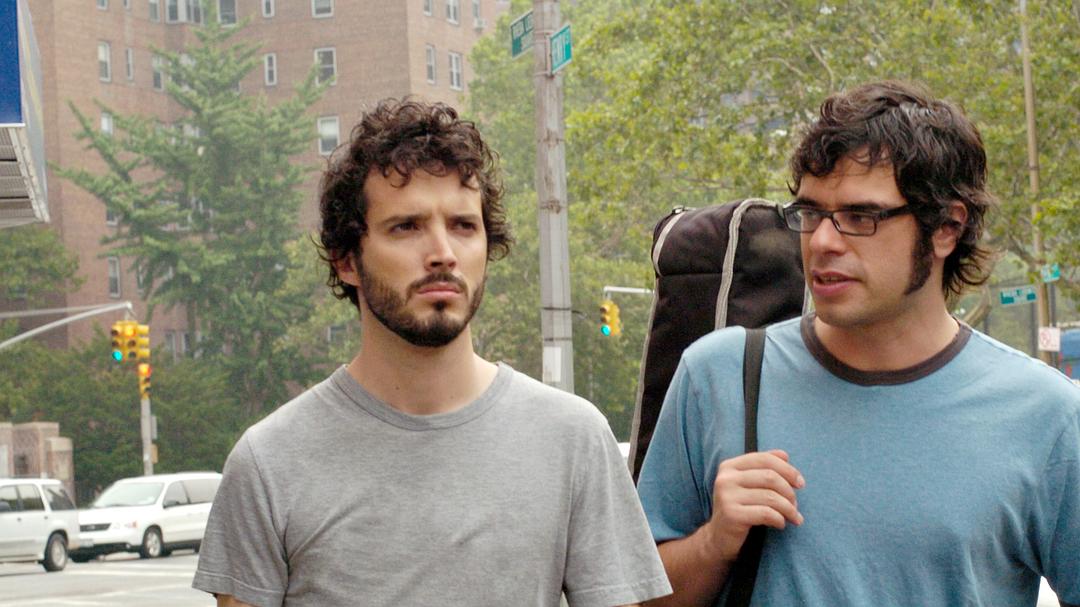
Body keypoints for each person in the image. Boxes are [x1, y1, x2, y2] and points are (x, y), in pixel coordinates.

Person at [192, 99, 671, 607]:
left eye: (463, 226)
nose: (442, 253)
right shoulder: (269, 462)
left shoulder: (573, 438)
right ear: (346, 261)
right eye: (406, 226)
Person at [637, 81, 1080, 606]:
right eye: (810, 214)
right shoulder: (719, 375)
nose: (823, 241)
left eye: (859, 217)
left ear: (946, 227)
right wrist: (713, 543)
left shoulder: (1047, 414)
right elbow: (633, 598)